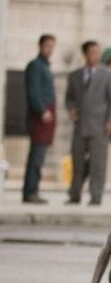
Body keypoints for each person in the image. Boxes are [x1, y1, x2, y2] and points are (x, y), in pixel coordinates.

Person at [66, 41, 111, 206]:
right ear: (85, 54)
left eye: (98, 52)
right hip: (80, 126)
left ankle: (96, 197)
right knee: (77, 162)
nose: (95, 55)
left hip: (100, 126)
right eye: (92, 52)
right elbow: (69, 98)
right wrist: (71, 110)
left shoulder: (108, 74)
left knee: (98, 164)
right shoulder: (74, 75)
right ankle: (74, 195)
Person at [22, 34, 57, 204]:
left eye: (52, 46)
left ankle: (32, 190)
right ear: (41, 46)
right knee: (36, 156)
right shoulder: (35, 65)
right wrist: (42, 110)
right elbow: (33, 91)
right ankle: (30, 192)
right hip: (40, 118)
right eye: (47, 46)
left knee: (39, 156)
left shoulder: (46, 66)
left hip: (46, 117)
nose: (49, 49)